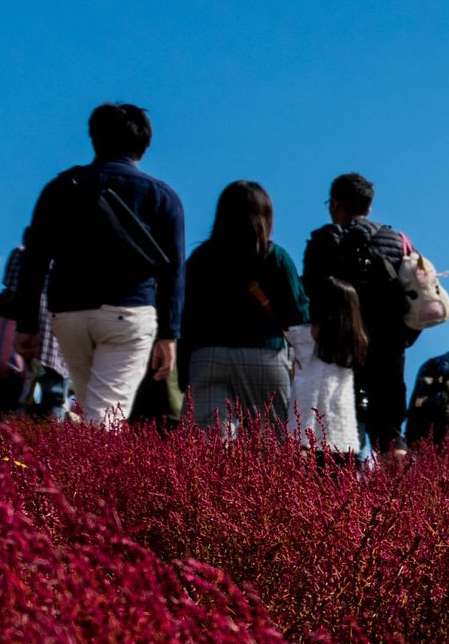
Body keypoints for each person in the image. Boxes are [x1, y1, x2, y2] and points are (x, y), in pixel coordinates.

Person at [14, 104, 186, 427]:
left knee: (92, 405)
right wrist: (169, 334)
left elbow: (34, 260)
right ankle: (85, 461)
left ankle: (75, 458)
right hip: (129, 312)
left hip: (68, 312)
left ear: (94, 138)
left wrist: (26, 324)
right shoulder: (163, 197)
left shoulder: (61, 187)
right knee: (106, 412)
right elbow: (173, 272)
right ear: (144, 145)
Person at [300, 173, 430, 455]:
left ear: (334, 204)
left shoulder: (322, 241)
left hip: (339, 347)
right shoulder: (398, 241)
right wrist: (403, 337)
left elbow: (310, 296)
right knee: (390, 434)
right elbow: (420, 291)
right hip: (388, 346)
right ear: (369, 207)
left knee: (340, 432)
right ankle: (398, 482)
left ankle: (350, 480)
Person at [179, 180, 305, 438]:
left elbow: (186, 317)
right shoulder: (276, 257)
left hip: (208, 354)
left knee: (206, 445)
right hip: (264, 354)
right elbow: (297, 313)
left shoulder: (200, 258)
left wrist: (184, 372)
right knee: (269, 444)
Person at [289, 279, 366, 460]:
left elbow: (308, 393)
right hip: (342, 435)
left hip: (306, 432)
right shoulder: (355, 343)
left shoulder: (303, 337)